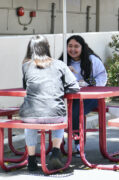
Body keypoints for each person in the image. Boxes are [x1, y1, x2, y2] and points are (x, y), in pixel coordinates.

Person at [20, 35, 80, 171]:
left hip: (31, 115)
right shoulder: (60, 64)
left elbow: (25, 86)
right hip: (54, 114)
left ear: (30, 49)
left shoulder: (26, 66)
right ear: (47, 48)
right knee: (58, 111)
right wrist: (59, 87)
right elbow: (75, 87)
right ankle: (56, 151)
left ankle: (31, 159)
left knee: (30, 119)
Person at [59, 35, 107, 157]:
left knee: (76, 112)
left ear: (82, 47)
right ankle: (57, 144)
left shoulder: (92, 60)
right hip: (70, 97)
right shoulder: (62, 62)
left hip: (92, 97)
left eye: (76, 46)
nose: (73, 49)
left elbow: (102, 78)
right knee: (56, 111)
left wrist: (87, 82)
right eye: (70, 46)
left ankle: (78, 144)